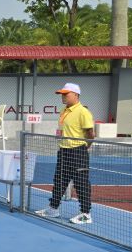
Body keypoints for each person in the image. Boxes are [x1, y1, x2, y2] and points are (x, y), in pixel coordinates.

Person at [35, 83, 95, 224]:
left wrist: (84, 147)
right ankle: (53, 209)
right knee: (60, 181)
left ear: (76, 95)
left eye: (66, 94)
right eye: (62, 94)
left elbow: (90, 134)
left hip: (77, 151)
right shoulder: (64, 110)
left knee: (81, 183)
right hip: (63, 151)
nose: (63, 96)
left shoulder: (83, 112)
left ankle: (86, 214)